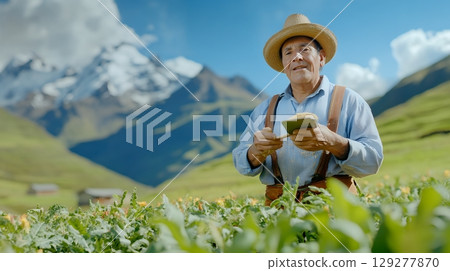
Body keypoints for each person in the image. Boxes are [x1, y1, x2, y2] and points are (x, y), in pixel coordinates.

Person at [232, 14, 383, 206]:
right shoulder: (264, 110)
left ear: (321, 58)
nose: (297, 57)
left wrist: (334, 142)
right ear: (284, 66)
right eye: (288, 52)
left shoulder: (350, 101)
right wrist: (256, 151)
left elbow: (373, 160)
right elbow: (240, 162)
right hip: (281, 211)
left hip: (337, 209)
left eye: (305, 49)